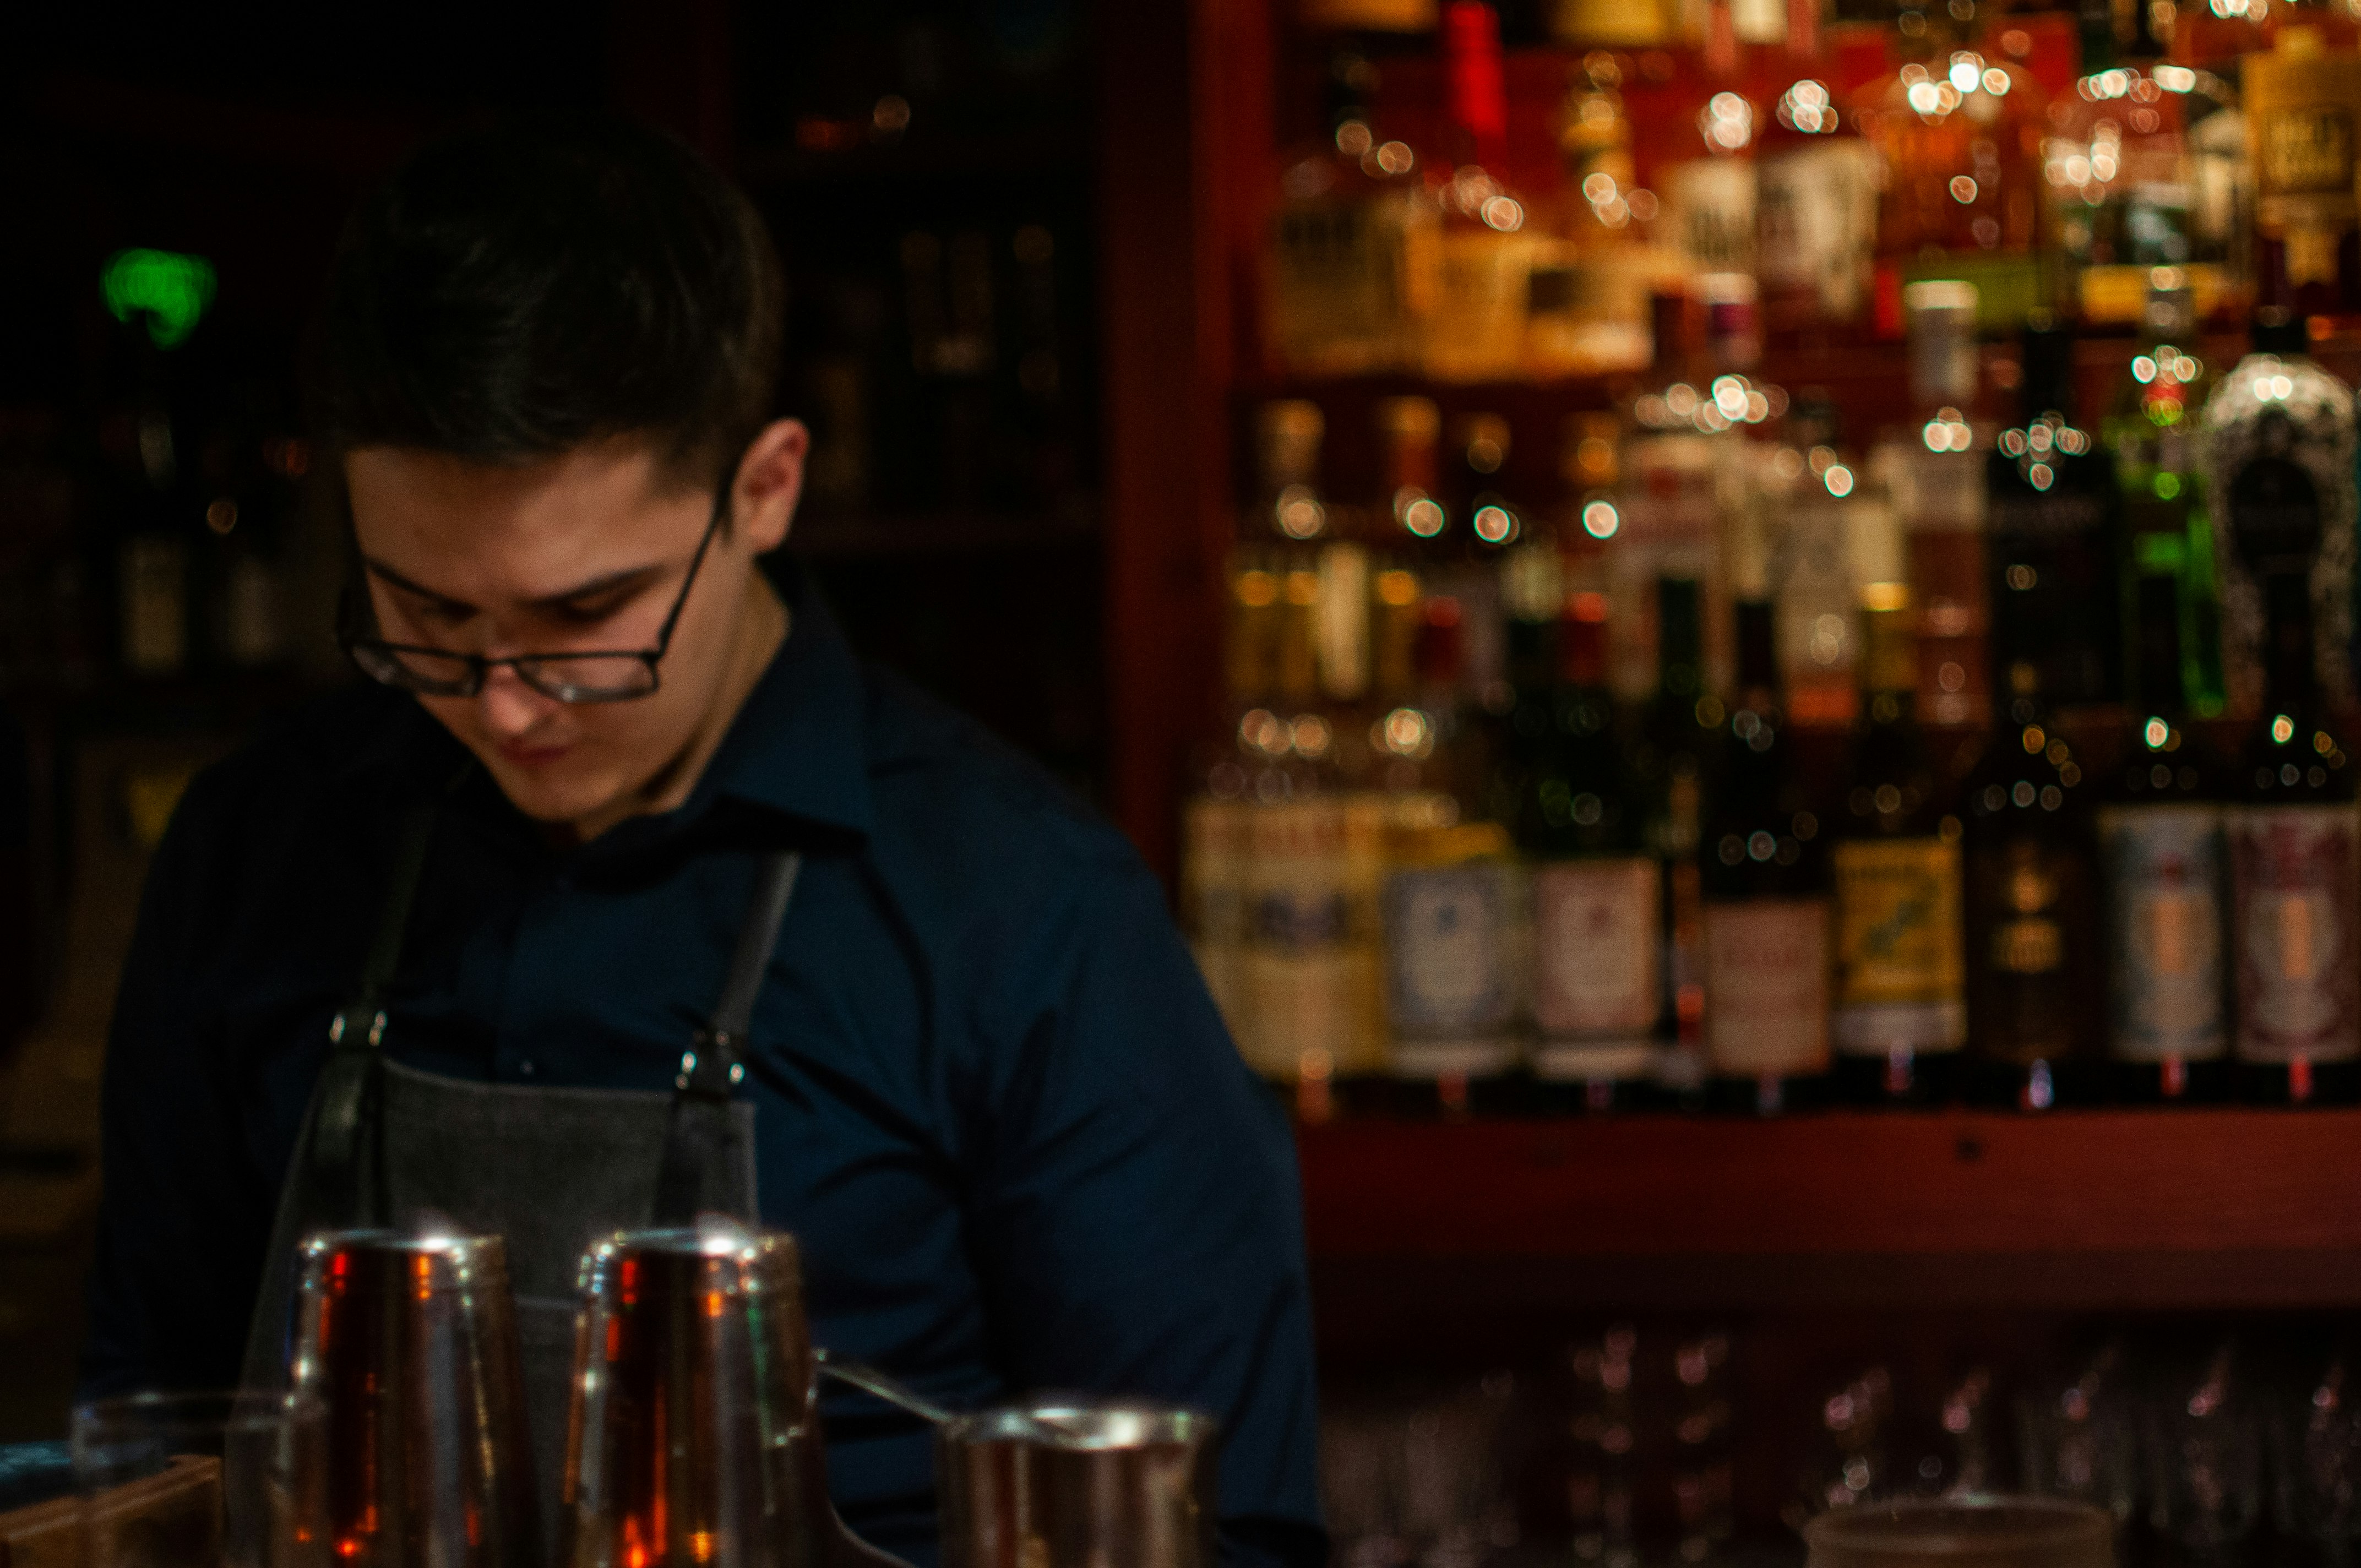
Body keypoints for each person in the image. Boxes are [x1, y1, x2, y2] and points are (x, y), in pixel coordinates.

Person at [80, 117, 1323, 1568]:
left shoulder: (1024, 917)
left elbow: (1220, 1535)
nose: (503, 706)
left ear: (765, 489)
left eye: (584, 619)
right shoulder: (257, 852)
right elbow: (146, 1454)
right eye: (426, 616)